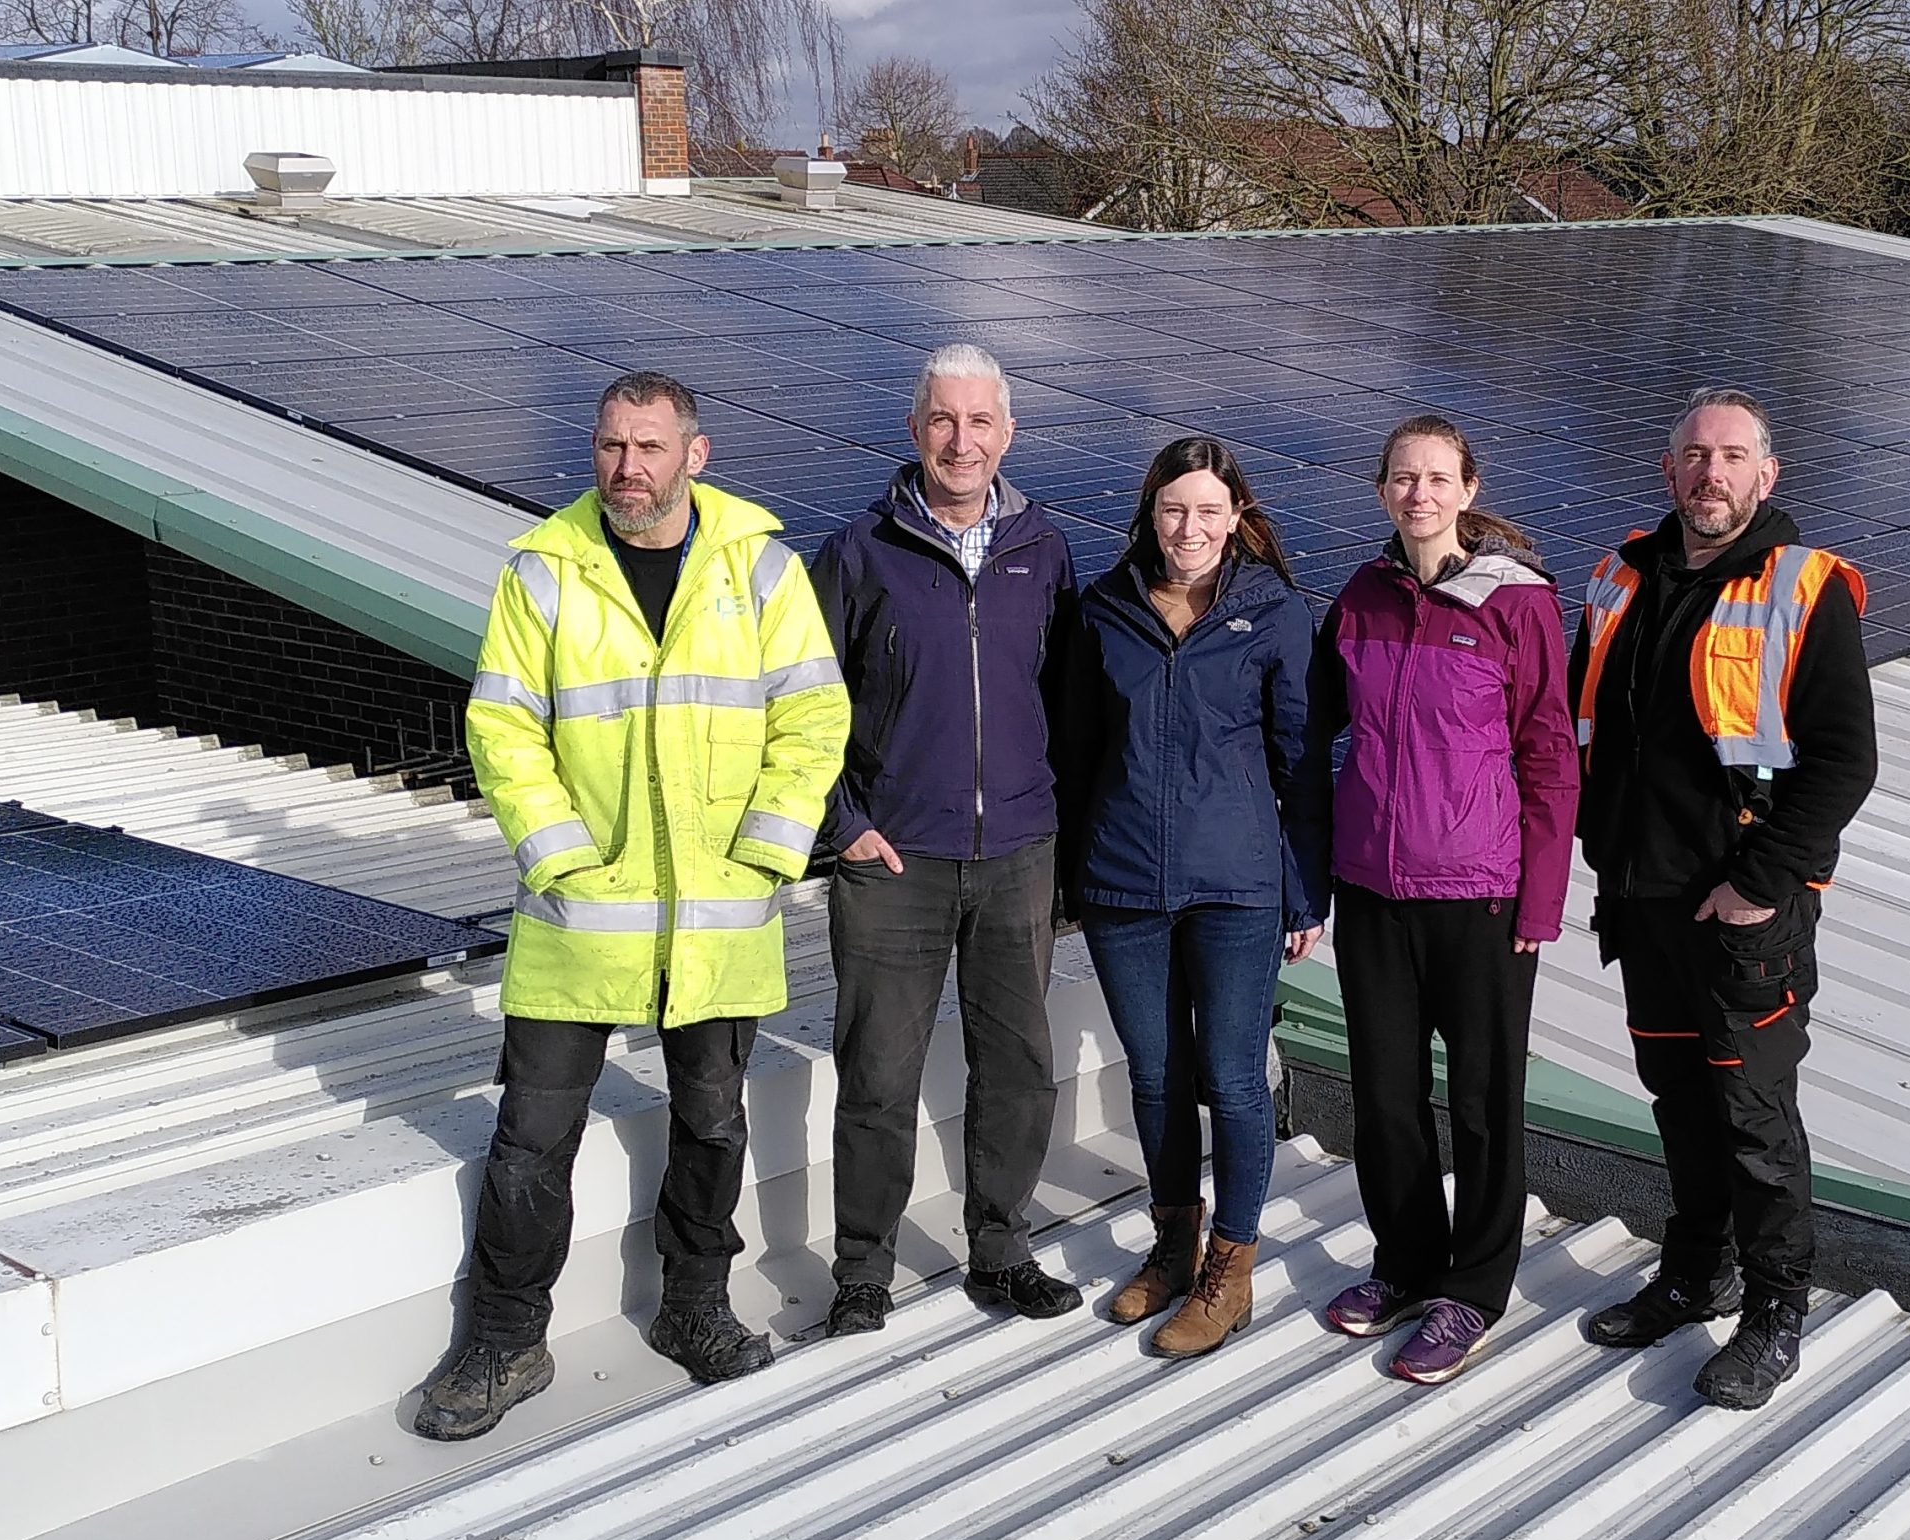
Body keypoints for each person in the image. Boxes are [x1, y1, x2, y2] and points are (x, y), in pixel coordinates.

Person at [417, 371, 849, 1442]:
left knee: (712, 1119)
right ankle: (505, 1337)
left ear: (694, 454)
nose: (627, 468)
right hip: (580, 917)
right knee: (531, 1136)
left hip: (720, 911)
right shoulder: (544, 569)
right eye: (610, 446)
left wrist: (767, 853)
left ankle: (695, 1308)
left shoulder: (759, 569)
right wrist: (559, 856)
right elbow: (503, 727)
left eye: (649, 447)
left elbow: (813, 715)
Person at [1572, 387, 1877, 1412]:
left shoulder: (1804, 586)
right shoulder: (1621, 575)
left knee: (1752, 1116)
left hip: (1744, 911)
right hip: (1641, 897)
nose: (1711, 472)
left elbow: (1844, 762)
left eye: (1732, 455)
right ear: (1669, 471)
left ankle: (1776, 1310)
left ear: (1765, 474)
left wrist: (1757, 883)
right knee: (1679, 1106)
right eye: (1695, 455)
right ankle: (1694, 1273)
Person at [1298, 415, 1579, 1386]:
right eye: (1401, 478)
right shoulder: (1362, 596)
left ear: (1466, 488)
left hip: (1482, 892)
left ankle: (1472, 1288)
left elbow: (1550, 753)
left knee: (1483, 1103)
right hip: (1372, 888)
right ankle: (1405, 1265)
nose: (1418, 494)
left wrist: (1539, 903)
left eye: (1436, 478)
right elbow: (1303, 722)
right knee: (1383, 1099)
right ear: (1380, 490)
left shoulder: (1516, 603)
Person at [809, 342, 1082, 1335]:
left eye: (979, 422)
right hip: (894, 859)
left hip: (1019, 851)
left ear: (1007, 433)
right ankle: (863, 1270)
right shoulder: (856, 553)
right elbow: (799, 706)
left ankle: (1001, 1249)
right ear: (914, 429)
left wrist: (1056, 825)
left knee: (1015, 1065)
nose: (959, 440)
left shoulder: (1043, 555)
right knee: (877, 1073)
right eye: (941, 420)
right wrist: (844, 826)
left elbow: (1067, 704)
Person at [1060, 437, 1321, 1357]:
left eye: (1210, 511)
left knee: (1234, 1079)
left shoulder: (1274, 614)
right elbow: (1078, 754)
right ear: (1150, 512)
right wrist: (1071, 879)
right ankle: (1172, 1245)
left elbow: (1300, 762)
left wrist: (1304, 890)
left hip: (1237, 886)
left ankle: (1231, 1268)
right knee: (1156, 1075)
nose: (1191, 528)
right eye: (1175, 509)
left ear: (1238, 519)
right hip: (1124, 879)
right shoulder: (1104, 610)